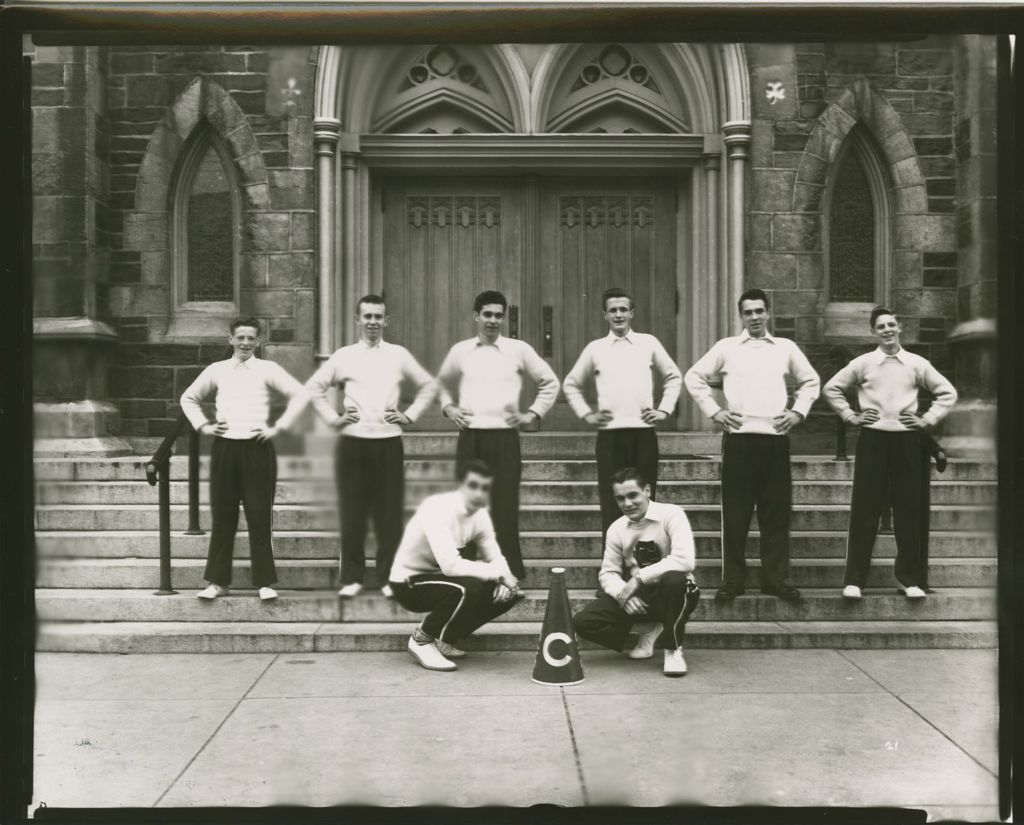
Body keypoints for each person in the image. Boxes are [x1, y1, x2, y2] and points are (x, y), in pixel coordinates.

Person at [684, 288, 820, 603]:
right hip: (739, 440)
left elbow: (811, 381)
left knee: (776, 514)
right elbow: (694, 377)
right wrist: (715, 412)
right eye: (749, 312)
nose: (755, 317)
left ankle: (774, 579)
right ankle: (733, 580)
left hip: (775, 440)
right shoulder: (727, 347)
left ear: (768, 313)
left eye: (760, 311)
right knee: (735, 513)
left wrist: (797, 412)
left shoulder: (784, 347)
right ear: (741, 316)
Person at [305, 294, 437, 600]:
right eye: (368, 317)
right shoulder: (343, 356)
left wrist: (409, 415)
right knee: (353, 513)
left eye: (378, 317)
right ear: (358, 320)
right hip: (352, 443)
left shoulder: (398, 355)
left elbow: (429, 385)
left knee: (388, 515)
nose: (373, 322)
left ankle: (389, 578)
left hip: (388, 442)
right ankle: (352, 577)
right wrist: (334, 419)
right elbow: (313, 388)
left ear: (386, 321)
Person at [822, 306, 957, 600]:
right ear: (873, 331)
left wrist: (926, 420)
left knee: (908, 510)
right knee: (865, 510)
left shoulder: (916, 363)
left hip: (907, 442)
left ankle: (907, 579)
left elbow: (947, 392)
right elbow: (832, 388)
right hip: (873, 441)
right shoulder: (864, 363)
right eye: (880, 326)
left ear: (900, 328)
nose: (887, 330)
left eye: (891, 325)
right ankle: (855, 580)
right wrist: (850, 416)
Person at [180, 318, 311, 601]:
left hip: (258, 450)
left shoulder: (268, 369)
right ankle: (217, 582)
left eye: (251, 338)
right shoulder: (217, 370)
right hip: (225, 449)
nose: (245, 343)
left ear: (259, 341)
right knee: (223, 516)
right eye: (240, 337)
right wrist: (203, 426)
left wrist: (277, 428)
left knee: (259, 515)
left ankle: (264, 582)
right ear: (230, 339)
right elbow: (188, 398)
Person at [437, 290, 559, 581]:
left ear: (504, 318)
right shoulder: (461, 350)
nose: (493, 320)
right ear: (476, 316)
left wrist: (532, 413)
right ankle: (464, 574)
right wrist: (448, 407)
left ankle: (509, 572)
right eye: (487, 314)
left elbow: (549, 382)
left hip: (504, 439)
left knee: (504, 507)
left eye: (498, 315)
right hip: (471, 437)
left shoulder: (519, 350)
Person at [562, 287, 683, 536]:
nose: (618, 315)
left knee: (645, 503)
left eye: (623, 310)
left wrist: (664, 410)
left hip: (643, 436)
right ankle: (614, 564)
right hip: (610, 437)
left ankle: (645, 564)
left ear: (632, 313)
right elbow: (571, 384)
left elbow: (673, 376)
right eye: (613, 310)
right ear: (604, 315)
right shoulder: (596, 348)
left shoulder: (648, 343)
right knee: (612, 502)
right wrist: (587, 414)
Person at [389, 459, 523, 671]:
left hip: (439, 580)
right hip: (408, 583)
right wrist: (497, 574)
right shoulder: (437, 509)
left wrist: (503, 577)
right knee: (466, 588)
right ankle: (421, 640)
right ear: (460, 485)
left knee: (510, 593)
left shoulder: (479, 515)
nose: (478, 493)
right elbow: (450, 567)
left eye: (485, 488)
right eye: (473, 485)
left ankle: (444, 640)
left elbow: (495, 555)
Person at [571, 467, 700, 677]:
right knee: (584, 622)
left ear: (647, 490)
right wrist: (623, 594)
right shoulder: (616, 528)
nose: (627, 504)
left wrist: (638, 578)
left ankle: (673, 649)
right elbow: (608, 573)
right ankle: (649, 630)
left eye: (633, 495)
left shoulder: (671, 514)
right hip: (641, 596)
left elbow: (685, 560)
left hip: (677, 591)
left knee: (674, 581)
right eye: (620, 498)